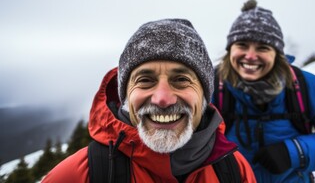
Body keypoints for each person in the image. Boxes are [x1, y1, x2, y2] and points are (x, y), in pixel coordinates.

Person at [42, 19, 256, 183]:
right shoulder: (76, 176)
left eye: (181, 80)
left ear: (203, 94)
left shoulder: (235, 169)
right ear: (125, 94)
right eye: (145, 80)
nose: (162, 98)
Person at [213, 0, 315, 183]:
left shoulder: (304, 86)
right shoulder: (210, 86)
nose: (250, 56)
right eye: (242, 45)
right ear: (230, 49)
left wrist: (294, 151)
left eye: (263, 47)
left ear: (277, 54)